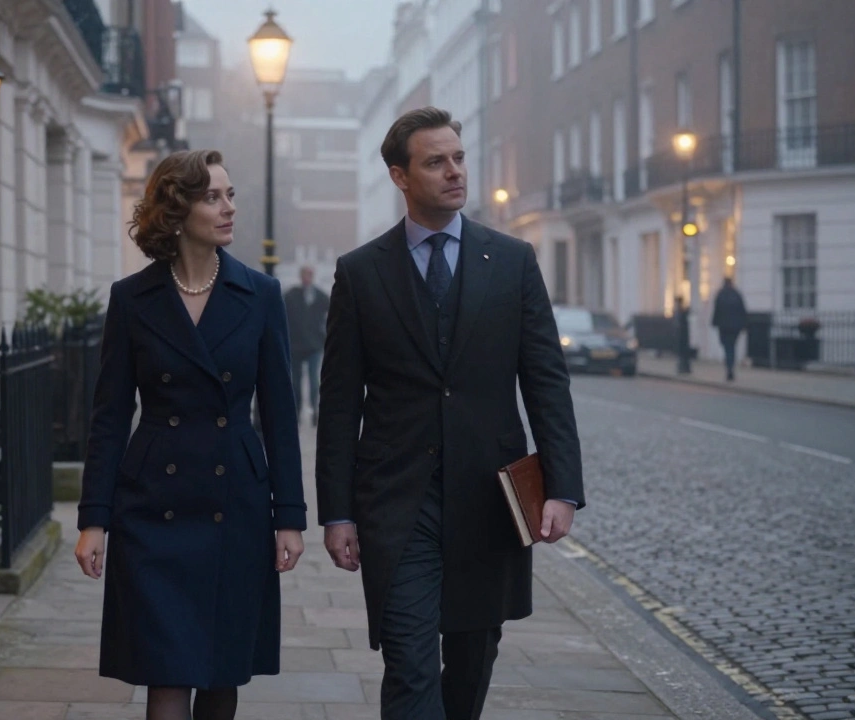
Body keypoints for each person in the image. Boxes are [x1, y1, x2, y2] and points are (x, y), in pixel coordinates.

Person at [315, 107, 584, 720]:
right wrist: (337, 513)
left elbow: (546, 381)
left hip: (489, 499)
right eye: (435, 162)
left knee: (471, 660)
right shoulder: (360, 273)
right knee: (409, 661)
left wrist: (562, 488)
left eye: (458, 157)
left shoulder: (513, 260)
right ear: (399, 176)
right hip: (398, 502)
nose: (454, 171)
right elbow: (338, 403)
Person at [74, 149, 307, 720]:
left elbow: (279, 415)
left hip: (237, 503)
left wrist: (290, 517)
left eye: (230, 195)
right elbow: (107, 416)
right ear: (177, 211)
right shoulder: (132, 299)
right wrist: (93, 518)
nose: (229, 208)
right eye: (213, 197)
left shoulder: (260, 295)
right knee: (166, 670)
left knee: (222, 671)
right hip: (153, 504)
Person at [283, 265, 329, 425]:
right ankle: (297, 411)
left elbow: (332, 313)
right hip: (295, 345)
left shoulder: (321, 296)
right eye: (305, 274)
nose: (307, 278)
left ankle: (314, 411)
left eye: (310, 274)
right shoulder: (290, 295)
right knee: (296, 381)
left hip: (314, 345)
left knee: (313, 380)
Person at [711, 277, 748, 381]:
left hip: (724, 327)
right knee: (732, 347)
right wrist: (744, 325)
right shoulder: (737, 295)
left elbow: (717, 311)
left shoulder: (720, 295)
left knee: (727, 347)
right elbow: (742, 311)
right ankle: (730, 367)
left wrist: (715, 323)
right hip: (735, 327)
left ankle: (729, 367)